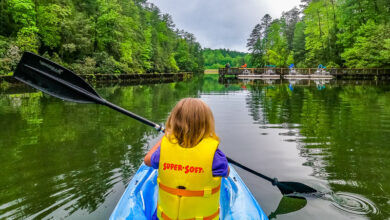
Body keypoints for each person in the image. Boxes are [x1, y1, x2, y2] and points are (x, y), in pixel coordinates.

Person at [144, 98, 229, 220]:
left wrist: (165, 138)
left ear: (173, 122)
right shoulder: (215, 157)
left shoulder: (163, 150)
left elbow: (147, 160)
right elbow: (226, 173)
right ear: (207, 124)